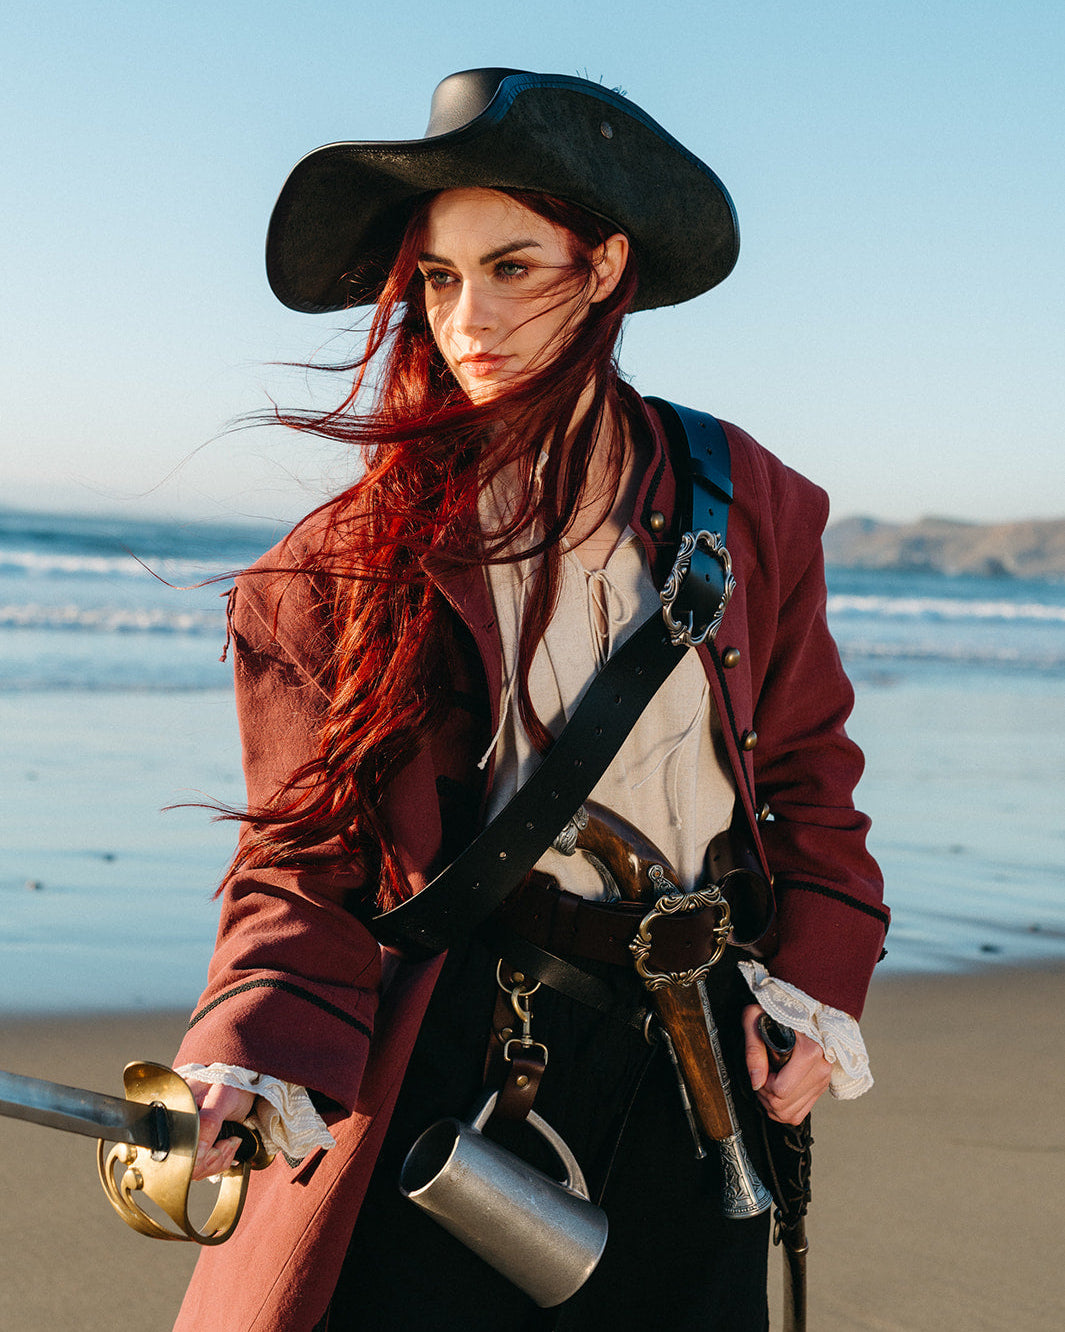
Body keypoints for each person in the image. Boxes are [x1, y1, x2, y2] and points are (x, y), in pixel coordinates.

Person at [172, 69, 888, 1331]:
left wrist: (819, 986)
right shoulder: (330, 570)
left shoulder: (754, 503)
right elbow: (303, 860)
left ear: (604, 265)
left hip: (695, 1058)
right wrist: (255, 1045)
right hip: (458, 1049)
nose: (467, 316)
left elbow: (809, 777)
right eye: (440, 280)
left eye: (513, 267)